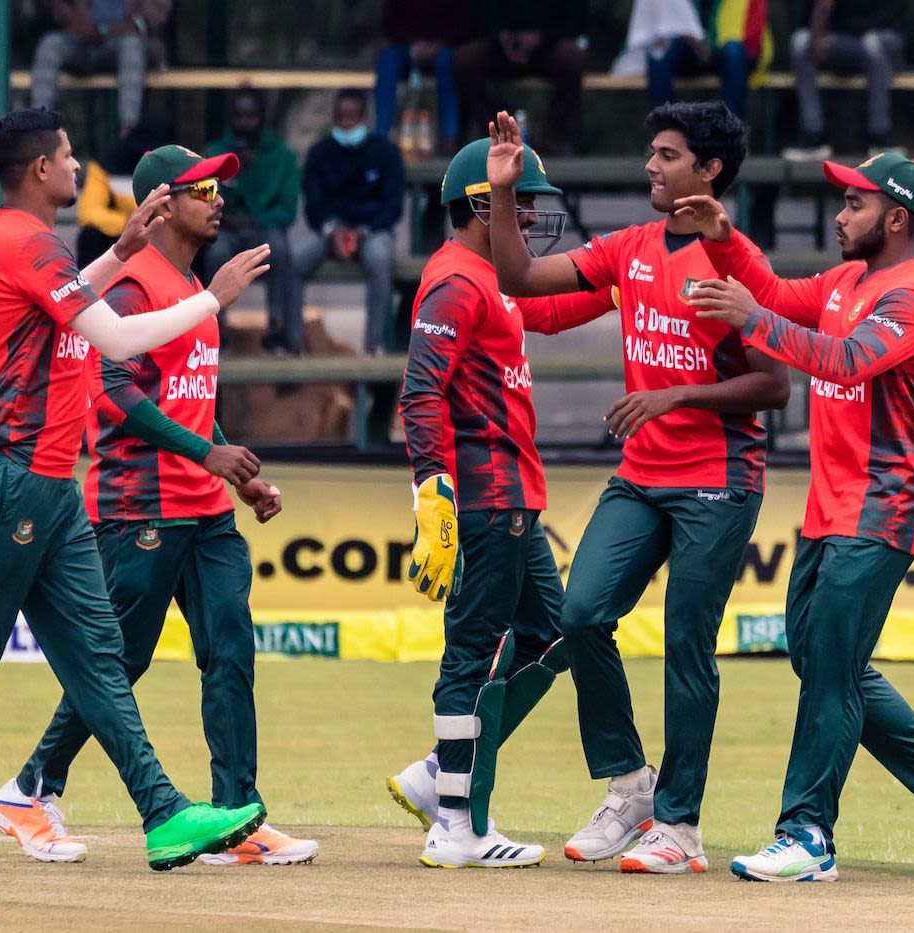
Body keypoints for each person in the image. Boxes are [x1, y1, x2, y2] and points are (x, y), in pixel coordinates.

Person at [0, 107, 273, 875]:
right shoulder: (29, 241)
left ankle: (162, 813)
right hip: (17, 476)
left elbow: (58, 311)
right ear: (39, 171)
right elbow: (115, 339)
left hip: (48, 482)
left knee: (99, 659)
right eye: (67, 155)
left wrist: (120, 250)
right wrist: (214, 295)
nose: (78, 165)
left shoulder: (8, 238)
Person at [0, 143, 318, 868]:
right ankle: (28, 787)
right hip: (141, 507)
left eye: (219, 187)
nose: (218, 199)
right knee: (117, 662)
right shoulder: (136, 285)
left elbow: (189, 400)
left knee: (230, 649)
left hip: (205, 511)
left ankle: (236, 815)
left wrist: (234, 472)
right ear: (161, 204)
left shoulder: (189, 284)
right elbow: (112, 390)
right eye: (203, 189)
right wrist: (209, 455)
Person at [485, 103, 789, 875]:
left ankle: (681, 825)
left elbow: (775, 386)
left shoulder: (734, 259)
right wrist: (502, 194)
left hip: (717, 479)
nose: (650, 167)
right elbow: (521, 278)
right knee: (581, 614)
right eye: (651, 153)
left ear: (708, 170)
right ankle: (632, 785)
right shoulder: (632, 246)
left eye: (666, 154)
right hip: (643, 474)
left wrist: (676, 398)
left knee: (688, 641)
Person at [682, 152, 914, 881]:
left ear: (894, 219)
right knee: (821, 655)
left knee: (829, 663)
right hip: (834, 500)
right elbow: (770, 290)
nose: (839, 214)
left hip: (886, 502)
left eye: (854, 204)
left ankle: (808, 835)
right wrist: (724, 237)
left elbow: (847, 360)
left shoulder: (913, 299)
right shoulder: (846, 279)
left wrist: (752, 319)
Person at [387, 136, 616, 869]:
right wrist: (434, 492)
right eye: (519, 205)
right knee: (472, 655)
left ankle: (438, 774)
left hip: (515, 497)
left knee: (554, 636)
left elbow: (549, 309)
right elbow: (420, 391)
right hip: (485, 496)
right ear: (480, 206)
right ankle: (456, 820)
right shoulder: (456, 282)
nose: (533, 220)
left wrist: (628, 283)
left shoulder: (492, 279)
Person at [288, 89, 404, 356]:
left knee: (380, 258)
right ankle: (293, 342)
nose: (346, 122)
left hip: (372, 230)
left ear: (364, 117)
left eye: (352, 116)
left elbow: (393, 207)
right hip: (328, 230)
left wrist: (362, 232)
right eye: (341, 116)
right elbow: (313, 206)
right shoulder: (320, 153)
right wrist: (333, 231)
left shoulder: (385, 152)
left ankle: (374, 345)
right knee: (295, 258)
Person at [202, 89, 299, 351]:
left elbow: (287, 211)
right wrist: (234, 178)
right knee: (215, 252)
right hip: (226, 229)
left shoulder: (282, 156)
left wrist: (251, 184)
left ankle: (276, 329)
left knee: (279, 249)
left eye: (251, 116)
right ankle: (216, 329)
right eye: (238, 115)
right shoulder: (213, 153)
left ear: (262, 118)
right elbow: (203, 199)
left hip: (263, 229)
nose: (244, 123)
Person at [453, 0, 588, 154]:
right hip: (501, 49)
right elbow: (481, 15)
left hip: (548, 49)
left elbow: (577, 21)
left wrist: (541, 36)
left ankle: (552, 137)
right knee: (465, 59)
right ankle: (497, 135)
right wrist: (504, 37)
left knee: (572, 57)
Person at [782, 0, 906, 160]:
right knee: (800, 42)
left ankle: (881, 138)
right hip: (839, 43)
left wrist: (827, 39)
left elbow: (886, 22)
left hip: (880, 39)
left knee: (873, 44)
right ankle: (813, 136)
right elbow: (810, 23)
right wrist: (819, 28)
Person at [613, 0, 771, 121]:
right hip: (688, 49)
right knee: (659, 52)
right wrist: (692, 40)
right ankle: (665, 130)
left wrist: (707, 44)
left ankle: (732, 134)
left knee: (734, 51)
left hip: (724, 48)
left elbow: (746, 32)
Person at [30, 0, 171, 135]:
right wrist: (74, 20)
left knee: (131, 46)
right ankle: (40, 131)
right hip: (82, 41)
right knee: (50, 44)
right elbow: (59, 4)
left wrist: (131, 25)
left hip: (128, 39)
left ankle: (128, 134)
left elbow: (157, 8)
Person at [374, 0, 473, 155]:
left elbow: (465, 23)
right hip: (405, 46)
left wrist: (438, 44)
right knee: (386, 63)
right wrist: (415, 45)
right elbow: (389, 24)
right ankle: (380, 140)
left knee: (447, 65)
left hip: (444, 47)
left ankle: (450, 139)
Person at [75, 117, 176, 267]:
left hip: (165, 232)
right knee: (91, 235)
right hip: (120, 234)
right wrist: (130, 222)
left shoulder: (175, 167)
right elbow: (89, 213)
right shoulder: (109, 163)